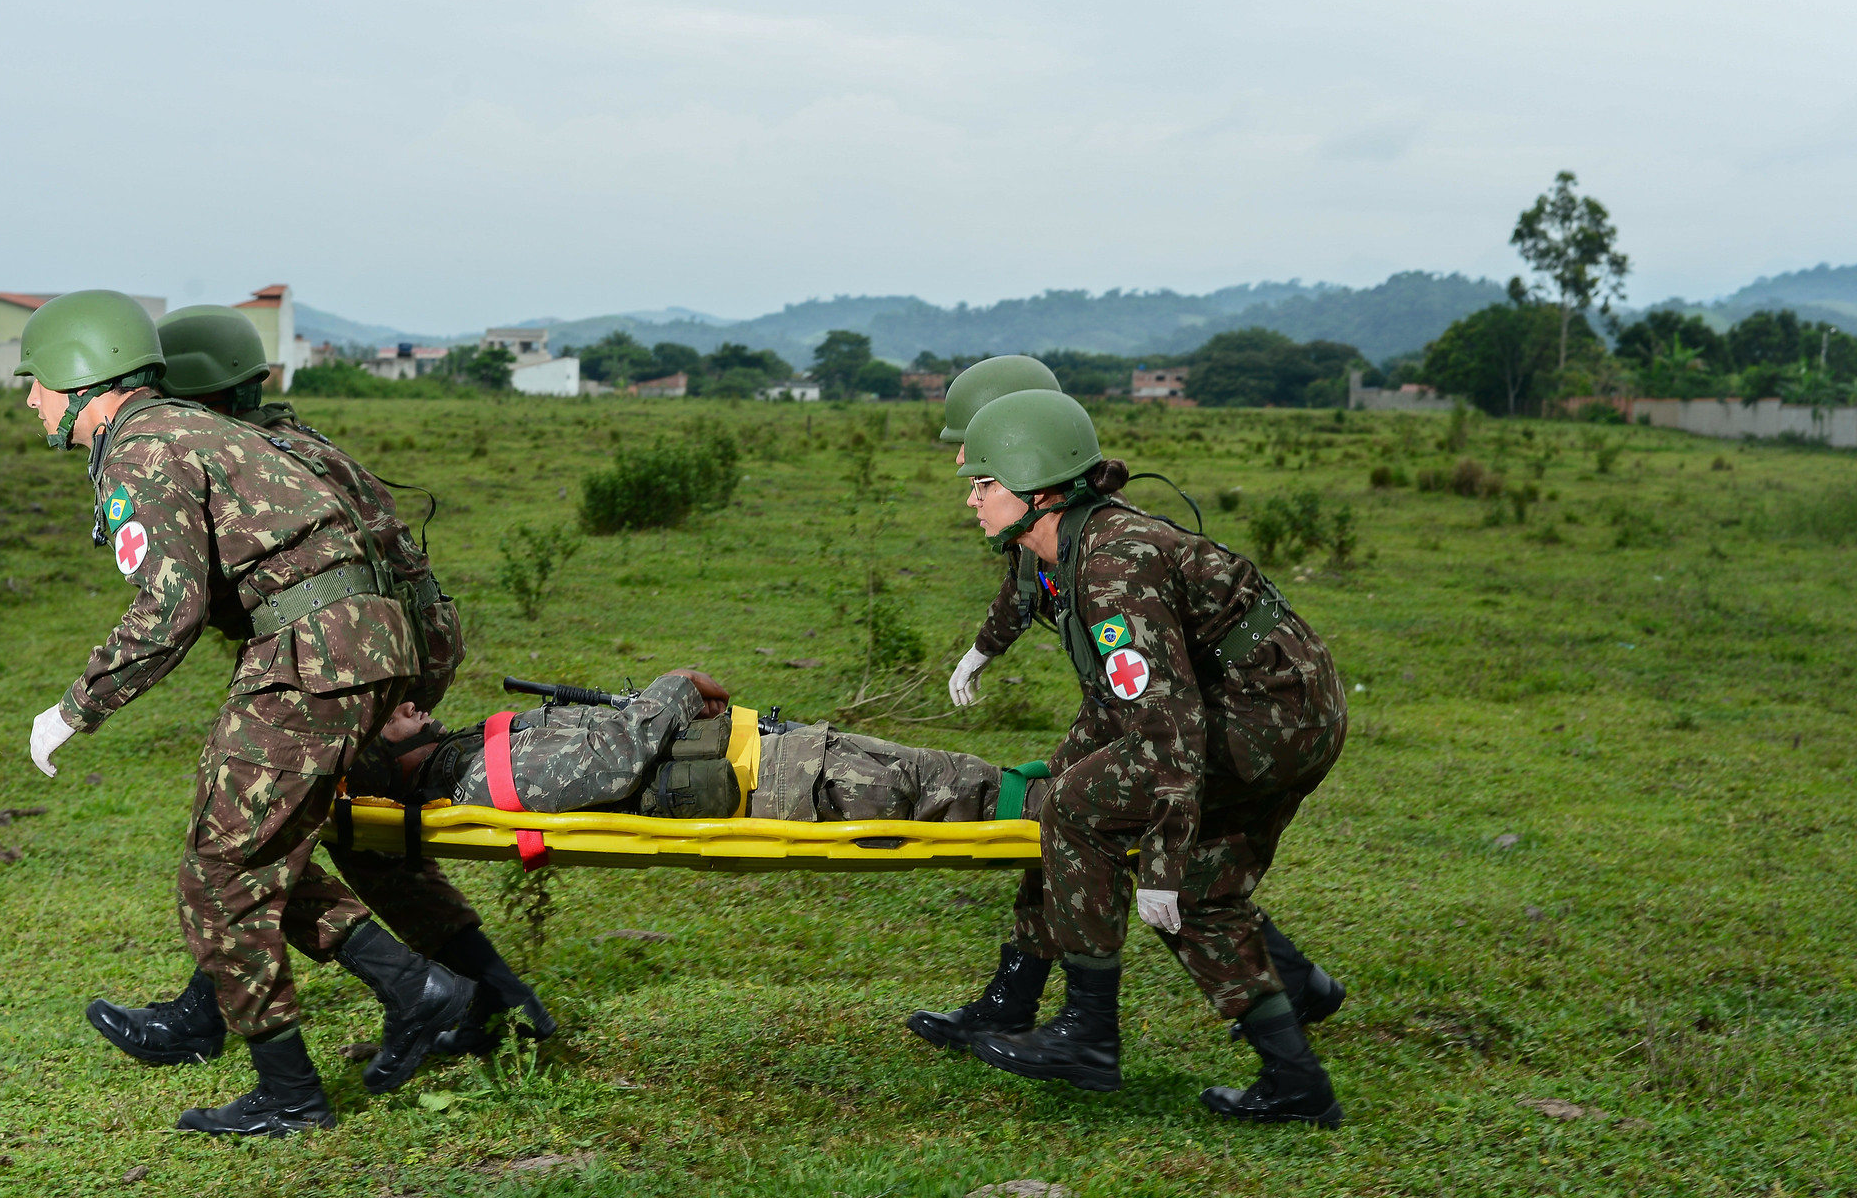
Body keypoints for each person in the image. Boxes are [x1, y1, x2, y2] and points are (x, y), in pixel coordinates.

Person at [19, 290, 474, 1137]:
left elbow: (169, 608)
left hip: (313, 655)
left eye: (36, 382)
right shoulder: (180, 430)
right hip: (344, 644)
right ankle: (420, 988)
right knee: (257, 858)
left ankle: (292, 1095)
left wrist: (76, 707)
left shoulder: (143, 450)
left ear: (82, 377)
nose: (31, 401)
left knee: (217, 876)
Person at [82, 305, 552, 1070]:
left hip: (352, 662)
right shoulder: (285, 444)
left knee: (271, 834)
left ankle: (457, 997)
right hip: (380, 652)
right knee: (303, 829)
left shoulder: (247, 452)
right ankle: (493, 998)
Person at [911, 358, 1344, 1059]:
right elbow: (1029, 589)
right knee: (1064, 798)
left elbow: (1168, 728)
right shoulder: (1064, 532)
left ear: (1034, 463)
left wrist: (1165, 859)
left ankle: (1091, 1032)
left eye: (979, 468)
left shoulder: (1112, 559)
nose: (963, 472)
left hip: (1264, 712)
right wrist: (983, 649)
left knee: (1127, 837)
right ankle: (1014, 1000)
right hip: (1246, 695)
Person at [354, 668, 1050, 826]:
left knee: (965, 775)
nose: (403, 704)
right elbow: (616, 758)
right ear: (384, 762)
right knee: (968, 791)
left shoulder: (477, 757)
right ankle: (1099, 810)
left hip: (782, 760)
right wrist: (677, 684)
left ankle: (1086, 796)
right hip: (786, 783)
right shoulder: (487, 779)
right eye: (387, 718)